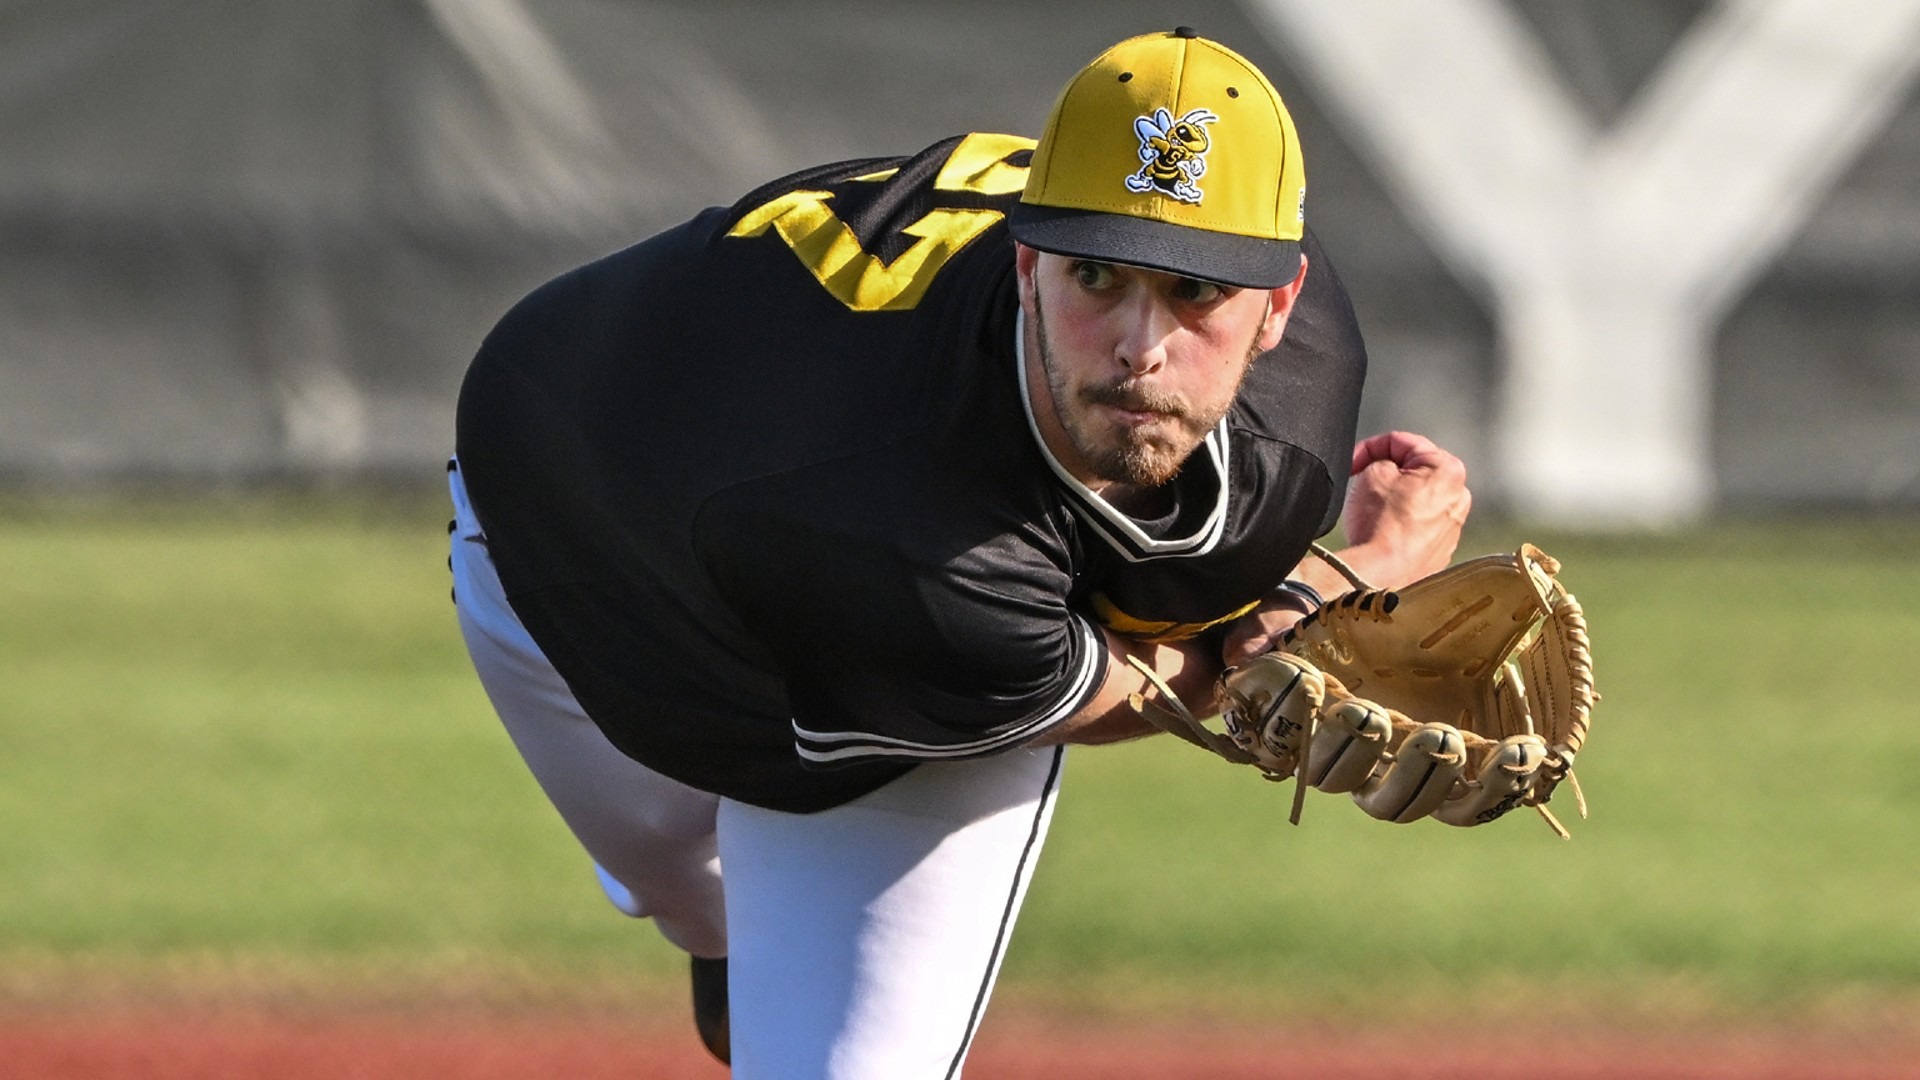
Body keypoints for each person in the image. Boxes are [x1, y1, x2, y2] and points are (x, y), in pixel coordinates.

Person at [448, 26, 1470, 1079]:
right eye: (1097, 274)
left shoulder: (1294, 416)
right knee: (680, 877)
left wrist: (1313, 602)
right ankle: (725, 944)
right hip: (571, 538)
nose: (1142, 344)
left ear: (1281, 307)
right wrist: (1358, 584)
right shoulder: (906, 527)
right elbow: (1117, 680)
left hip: (851, 567)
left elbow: (1193, 635)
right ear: (1028, 266)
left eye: (1200, 290)